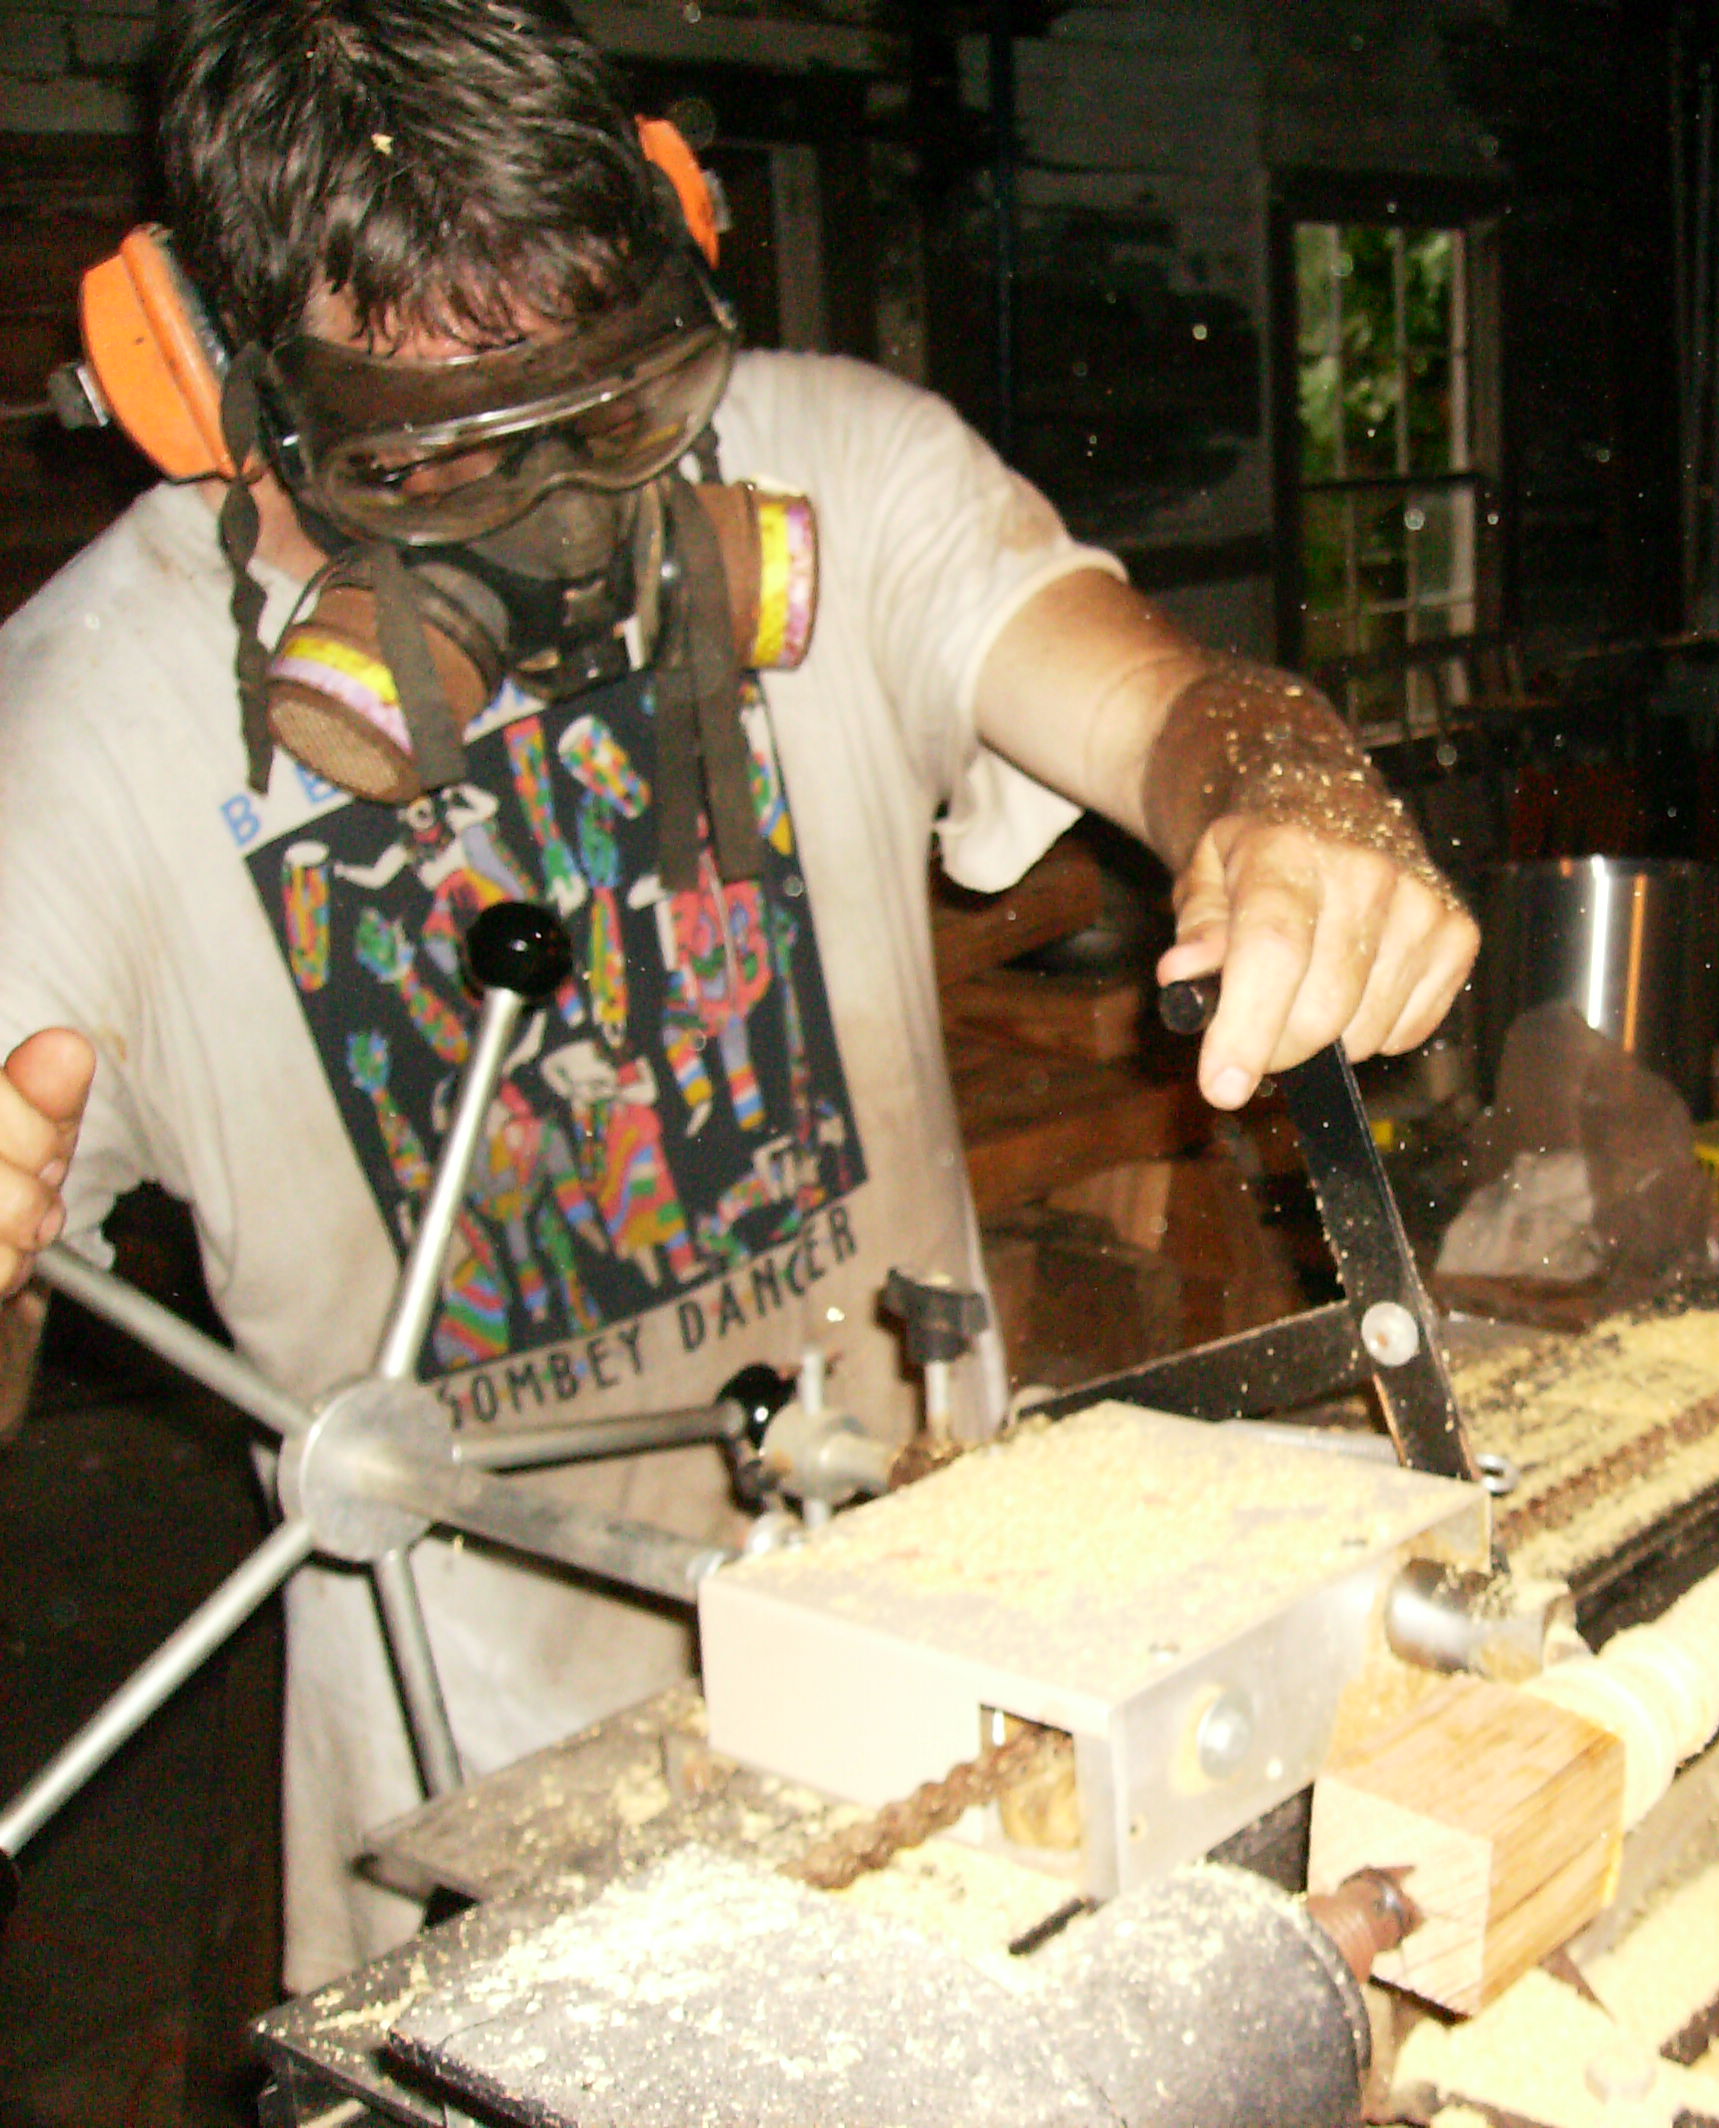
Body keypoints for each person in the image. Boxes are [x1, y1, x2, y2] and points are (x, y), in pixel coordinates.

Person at [0, 0, 1475, 1989]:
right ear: (209, 381)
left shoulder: (839, 466)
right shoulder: (72, 746)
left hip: (958, 1681)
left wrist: (1286, 794)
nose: (571, 520)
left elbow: (1175, 713)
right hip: (495, 1838)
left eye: (618, 410)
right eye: (440, 456)